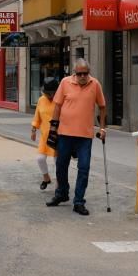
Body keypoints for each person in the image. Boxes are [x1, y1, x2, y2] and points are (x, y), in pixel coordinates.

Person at [45, 58, 107, 216]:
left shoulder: (95, 84)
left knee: (84, 168)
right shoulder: (65, 83)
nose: (82, 76)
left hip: (85, 136)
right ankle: (62, 193)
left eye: (85, 73)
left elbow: (102, 106)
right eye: (79, 74)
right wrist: (53, 127)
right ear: (74, 73)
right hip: (65, 133)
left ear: (89, 73)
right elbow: (58, 105)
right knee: (61, 166)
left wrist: (102, 128)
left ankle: (79, 201)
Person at [31, 79, 58, 190]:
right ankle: (46, 178)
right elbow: (37, 116)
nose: (48, 95)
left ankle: (60, 183)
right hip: (44, 135)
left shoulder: (60, 100)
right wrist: (33, 130)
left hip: (58, 136)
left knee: (58, 162)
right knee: (40, 158)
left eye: (50, 93)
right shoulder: (41, 100)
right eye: (46, 93)